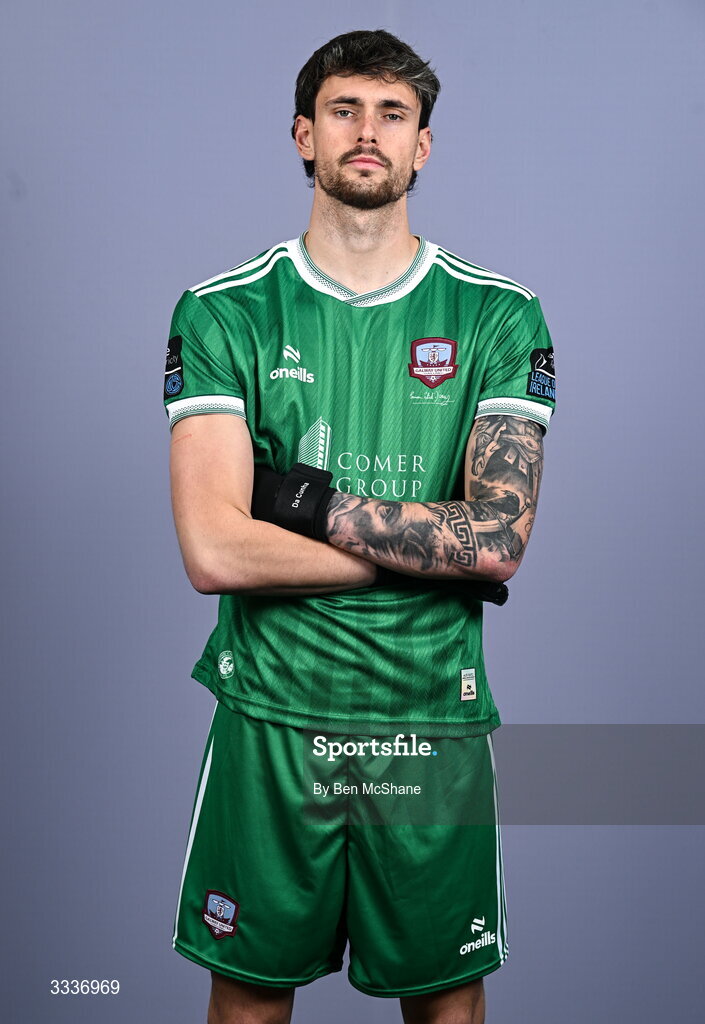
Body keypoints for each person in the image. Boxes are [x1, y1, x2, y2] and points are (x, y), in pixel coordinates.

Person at [164, 28, 556, 1024]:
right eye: (344, 110)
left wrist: (314, 505)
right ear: (304, 133)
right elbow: (213, 549)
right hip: (272, 720)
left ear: (424, 145)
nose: (367, 131)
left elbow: (500, 537)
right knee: (248, 1004)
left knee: (446, 1006)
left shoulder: (500, 317)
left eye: (393, 113)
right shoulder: (225, 311)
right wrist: (434, 556)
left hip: (431, 724)